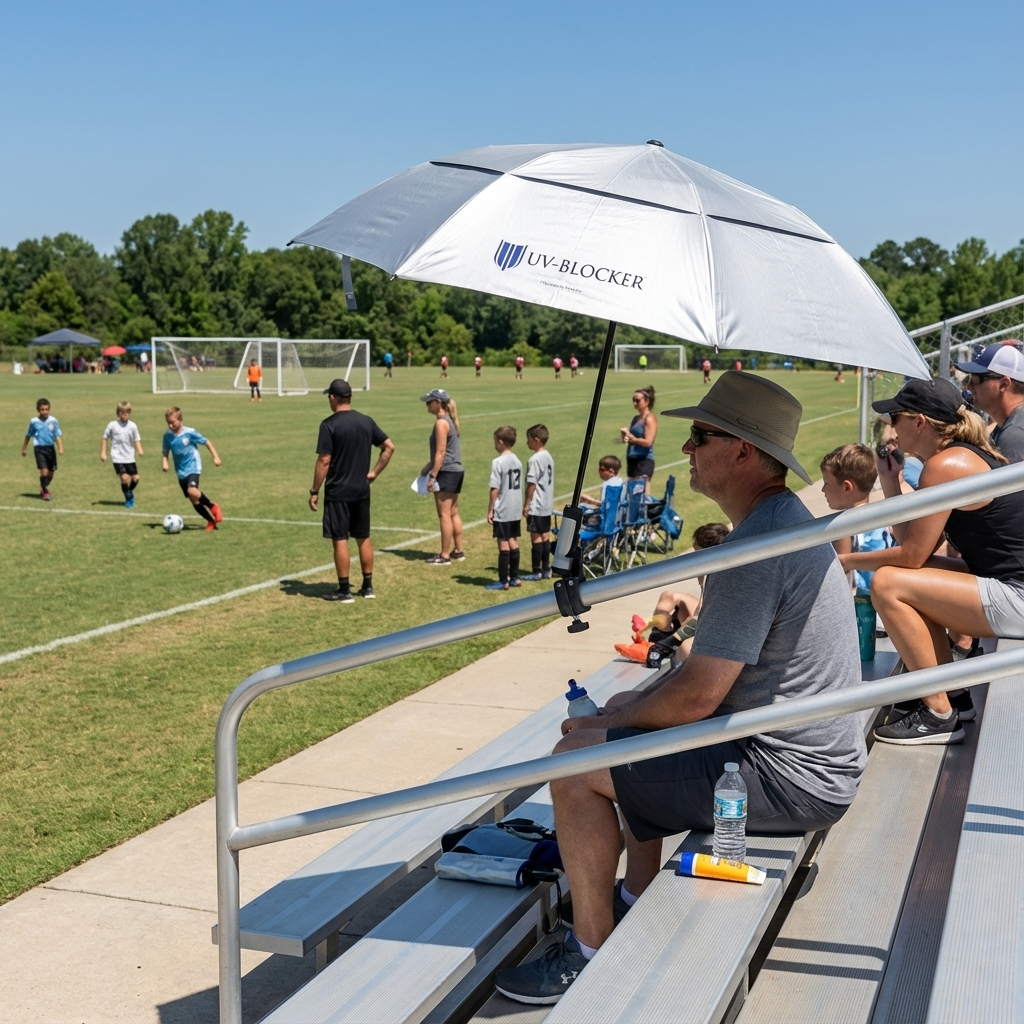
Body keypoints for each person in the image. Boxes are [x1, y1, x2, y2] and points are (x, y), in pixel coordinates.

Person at [495, 372, 866, 1005]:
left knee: (573, 763)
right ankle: (635, 897)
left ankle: (588, 952)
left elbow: (697, 697)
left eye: (700, 436)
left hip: (790, 773)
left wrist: (611, 721)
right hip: (801, 759)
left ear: (744, 451)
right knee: (623, 731)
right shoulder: (781, 523)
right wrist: (623, 716)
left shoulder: (755, 548)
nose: (686, 448)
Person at [840, 377, 1024, 744]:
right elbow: (912, 546)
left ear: (919, 421)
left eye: (895, 416)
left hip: (1017, 595)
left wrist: (846, 560)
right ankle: (953, 694)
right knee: (901, 578)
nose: (890, 426)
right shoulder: (956, 458)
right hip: (1007, 585)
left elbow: (909, 556)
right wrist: (891, 484)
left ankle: (940, 714)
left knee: (888, 583)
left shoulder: (945, 465)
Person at [309, 379, 394, 601]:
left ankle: (344, 590)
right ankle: (367, 587)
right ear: (350, 397)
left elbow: (324, 460)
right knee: (363, 536)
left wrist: (314, 490)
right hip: (361, 490)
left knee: (340, 538)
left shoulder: (329, 424)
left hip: (338, 491)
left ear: (332, 398)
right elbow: (389, 447)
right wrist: (374, 472)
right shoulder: (366, 421)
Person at [614, 522, 730, 664]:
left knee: (686, 649)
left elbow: (701, 617)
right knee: (669, 596)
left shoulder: (715, 575)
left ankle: (665, 648)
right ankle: (659, 634)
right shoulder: (709, 568)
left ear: (705, 553)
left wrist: (670, 642)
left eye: (696, 551)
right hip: (709, 618)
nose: (692, 557)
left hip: (717, 631)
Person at [820, 444, 893, 595]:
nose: (823, 490)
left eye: (827, 484)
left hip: (861, 609)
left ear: (847, 487)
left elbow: (839, 581)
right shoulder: (883, 519)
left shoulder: (843, 526)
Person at [955, 342, 1024, 463]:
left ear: (1004, 384)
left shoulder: (1014, 435)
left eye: (976, 379)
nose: (968, 386)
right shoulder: (1007, 426)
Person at [420, 388, 465, 566]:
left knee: (444, 514)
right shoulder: (449, 421)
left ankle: (444, 555)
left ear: (438, 403)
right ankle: (458, 550)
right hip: (456, 470)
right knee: (453, 512)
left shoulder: (441, 423)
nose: (426, 404)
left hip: (446, 472)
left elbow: (440, 452)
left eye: (429, 401)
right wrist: (428, 466)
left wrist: (432, 476)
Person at [162, 407, 222, 530]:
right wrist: (165, 462)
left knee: (192, 491)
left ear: (180, 420)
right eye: (168, 422)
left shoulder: (189, 432)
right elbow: (165, 451)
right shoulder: (167, 436)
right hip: (180, 471)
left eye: (173, 422)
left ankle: (213, 506)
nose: (170, 425)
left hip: (193, 465)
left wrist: (215, 457)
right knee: (194, 500)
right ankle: (211, 521)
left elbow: (206, 442)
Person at [486, 425, 523, 591]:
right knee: (513, 541)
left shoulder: (498, 462)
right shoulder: (517, 460)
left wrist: (490, 509)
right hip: (515, 506)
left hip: (504, 506)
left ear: (500, 442)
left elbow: (495, 488)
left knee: (503, 543)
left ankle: (503, 581)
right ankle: (514, 577)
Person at [522, 424, 555, 581]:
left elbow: (532, 483)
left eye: (528, 439)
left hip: (537, 504)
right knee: (545, 536)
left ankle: (536, 571)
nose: (527, 442)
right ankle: (546, 569)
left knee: (536, 537)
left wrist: (527, 503)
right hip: (547, 503)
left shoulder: (535, 459)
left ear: (536, 440)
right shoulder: (548, 456)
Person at [101, 401, 144, 508]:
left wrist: (139, 449)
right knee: (124, 478)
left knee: (136, 478)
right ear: (118, 413)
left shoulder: (133, 426)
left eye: (127, 412)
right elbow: (105, 438)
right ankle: (129, 498)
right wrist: (103, 452)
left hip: (129, 456)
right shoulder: (112, 425)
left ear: (129, 413)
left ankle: (128, 491)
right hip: (117, 457)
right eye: (122, 412)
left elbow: (136, 439)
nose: (124, 415)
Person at [21, 397, 63, 500]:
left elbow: (57, 435)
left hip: (50, 448)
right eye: (42, 409)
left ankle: (43, 486)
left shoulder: (53, 421)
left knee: (51, 473)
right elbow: (28, 435)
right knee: (44, 471)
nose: (44, 412)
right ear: (38, 410)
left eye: (46, 409)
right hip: (39, 448)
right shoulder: (34, 421)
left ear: (49, 409)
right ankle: (45, 491)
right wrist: (24, 448)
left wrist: (60, 447)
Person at [620, 385, 657, 493]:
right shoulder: (636, 418)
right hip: (632, 459)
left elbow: (648, 442)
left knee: (642, 496)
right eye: (633, 400)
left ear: (647, 401)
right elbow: (630, 440)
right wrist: (625, 436)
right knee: (632, 494)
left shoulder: (649, 419)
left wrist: (632, 438)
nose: (634, 403)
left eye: (637, 400)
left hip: (644, 461)